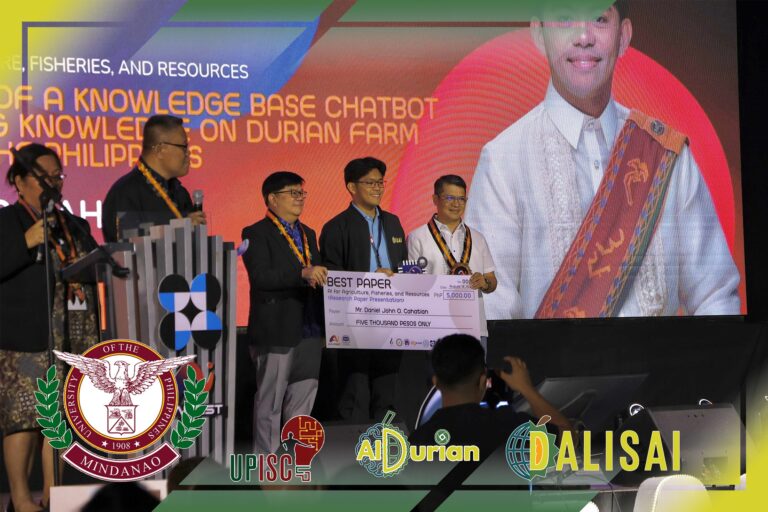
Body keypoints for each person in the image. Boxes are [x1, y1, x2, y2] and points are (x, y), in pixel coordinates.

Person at [464, 0, 740, 319]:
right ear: (539, 34)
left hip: (662, 353)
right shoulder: (504, 161)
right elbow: (489, 311)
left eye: (599, 18)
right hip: (550, 355)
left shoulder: (666, 156)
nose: (584, 37)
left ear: (623, 36)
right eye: (565, 19)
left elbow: (716, 296)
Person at [0, 143, 100, 512]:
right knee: (24, 420)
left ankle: (53, 496)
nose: (53, 183)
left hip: (70, 335)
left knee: (58, 420)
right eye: (44, 177)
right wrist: (25, 242)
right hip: (23, 337)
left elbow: (93, 262)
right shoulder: (6, 222)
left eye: (58, 176)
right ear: (19, 181)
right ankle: (21, 500)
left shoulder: (73, 223)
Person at [242, 171, 327, 454]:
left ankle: (297, 462)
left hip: (310, 328)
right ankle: (266, 466)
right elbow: (261, 277)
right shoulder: (256, 233)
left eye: (302, 193)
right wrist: (301, 273)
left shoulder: (309, 233)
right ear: (272, 199)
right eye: (293, 193)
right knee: (271, 404)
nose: (300, 198)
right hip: (276, 329)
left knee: (303, 405)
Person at [320, 157, 407, 421]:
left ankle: (386, 442)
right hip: (354, 320)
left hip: (391, 318)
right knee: (354, 393)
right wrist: (370, 280)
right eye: (370, 183)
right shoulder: (336, 226)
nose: (377, 188)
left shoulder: (392, 222)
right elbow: (331, 277)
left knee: (387, 391)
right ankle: (353, 445)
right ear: (351, 187)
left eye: (380, 182)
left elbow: (403, 265)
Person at [409, 334, 571, 453]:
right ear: (483, 381)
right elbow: (568, 441)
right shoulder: (510, 427)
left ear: (436, 382)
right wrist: (526, 388)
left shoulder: (416, 443)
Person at [406, 175, 497, 350]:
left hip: (474, 328)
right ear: (435, 199)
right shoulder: (416, 237)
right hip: (434, 327)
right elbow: (411, 285)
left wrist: (484, 282)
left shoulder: (478, 238)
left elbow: (492, 281)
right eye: (449, 198)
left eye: (461, 199)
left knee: (476, 369)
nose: (456, 204)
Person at [101, 114, 206, 242]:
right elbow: (125, 240)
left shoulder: (180, 193)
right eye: (184, 146)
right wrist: (178, 226)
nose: (188, 152)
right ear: (160, 150)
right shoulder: (125, 193)